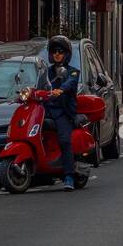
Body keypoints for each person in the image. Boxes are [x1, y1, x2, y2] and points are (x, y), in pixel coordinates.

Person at [36, 35, 81, 191]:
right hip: (46, 111)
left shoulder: (73, 72)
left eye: (60, 51)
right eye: (54, 51)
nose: (57, 54)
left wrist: (61, 90)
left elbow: (70, 83)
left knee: (64, 140)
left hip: (63, 112)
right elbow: (38, 87)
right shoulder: (45, 72)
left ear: (66, 54)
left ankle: (69, 176)